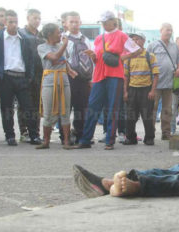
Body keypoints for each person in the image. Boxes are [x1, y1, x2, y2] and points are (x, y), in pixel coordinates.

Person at [74, 11, 141, 150]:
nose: (104, 24)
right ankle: (85, 139)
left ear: (113, 21)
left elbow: (137, 51)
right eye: (102, 22)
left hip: (115, 75)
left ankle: (110, 140)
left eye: (106, 21)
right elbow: (97, 59)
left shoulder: (122, 35)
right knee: (92, 107)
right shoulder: (99, 38)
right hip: (99, 75)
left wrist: (120, 59)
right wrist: (92, 55)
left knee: (112, 108)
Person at [0, 10, 41, 146]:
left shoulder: (25, 39)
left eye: (15, 22)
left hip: (22, 78)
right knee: (6, 108)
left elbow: (30, 60)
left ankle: (34, 135)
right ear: (5, 22)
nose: (14, 25)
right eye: (10, 22)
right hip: (5, 78)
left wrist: (29, 76)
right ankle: (10, 136)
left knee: (29, 107)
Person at [36, 23, 78, 149]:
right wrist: (65, 45)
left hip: (64, 80)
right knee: (48, 112)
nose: (60, 35)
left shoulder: (60, 46)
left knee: (65, 110)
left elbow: (63, 60)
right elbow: (54, 57)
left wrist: (69, 70)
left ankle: (66, 142)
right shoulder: (42, 47)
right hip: (49, 81)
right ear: (49, 34)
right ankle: (46, 141)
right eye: (57, 32)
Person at [123, 32, 159, 146]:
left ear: (143, 41)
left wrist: (152, 91)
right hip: (132, 89)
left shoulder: (150, 56)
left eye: (137, 39)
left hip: (146, 90)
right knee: (130, 116)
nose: (134, 42)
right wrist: (125, 92)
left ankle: (149, 138)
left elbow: (156, 75)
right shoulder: (128, 58)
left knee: (147, 115)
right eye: (132, 40)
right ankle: (130, 138)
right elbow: (126, 76)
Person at [147, 23, 179, 140]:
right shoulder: (152, 45)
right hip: (155, 84)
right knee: (153, 109)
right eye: (167, 30)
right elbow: (147, 62)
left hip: (169, 83)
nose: (169, 32)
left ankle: (166, 133)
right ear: (161, 30)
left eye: (171, 30)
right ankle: (150, 133)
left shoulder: (174, 46)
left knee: (167, 109)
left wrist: (178, 69)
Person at [64, 11, 93, 144]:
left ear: (80, 23)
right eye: (71, 22)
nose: (75, 24)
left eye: (77, 21)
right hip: (68, 78)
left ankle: (80, 134)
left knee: (81, 108)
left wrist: (91, 79)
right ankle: (64, 137)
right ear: (65, 23)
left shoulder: (85, 39)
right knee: (66, 108)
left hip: (83, 79)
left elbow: (91, 59)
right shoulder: (63, 39)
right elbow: (61, 59)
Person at [18, 9, 44, 143]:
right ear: (28, 18)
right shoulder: (21, 34)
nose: (37, 21)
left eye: (39, 18)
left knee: (36, 105)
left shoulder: (42, 35)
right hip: (25, 74)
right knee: (24, 105)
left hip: (40, 74)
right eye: (35, 18)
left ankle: (36, 132)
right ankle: (24, 132)